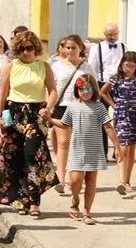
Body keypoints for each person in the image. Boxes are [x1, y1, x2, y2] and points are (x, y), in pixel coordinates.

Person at [0, 30, 60, 216]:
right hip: (14, 113)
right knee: (15, 157)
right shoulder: (11, 66)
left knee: (32, 156)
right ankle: (20, 200)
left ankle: (34, 200)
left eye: (29, 48)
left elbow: (53, 91)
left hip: (36, 114)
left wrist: (48, 108)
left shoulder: (44, 66)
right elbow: (3, 92)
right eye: (22, 49)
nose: (26, 52)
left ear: (36, 48)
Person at [52, 74, 121, 225]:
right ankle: (75, 200)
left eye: (88, 88)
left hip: (94, 150)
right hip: (77, 150)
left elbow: (108, 127)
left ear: (94, 89)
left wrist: (117, 146)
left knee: (91, 181)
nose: (85, 92)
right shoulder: (72, 107)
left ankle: (86, 212)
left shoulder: (99, 107)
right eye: (81, 89)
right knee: (75, 181)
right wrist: (49, 119)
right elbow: (64, 124)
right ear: (76, 90)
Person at [100, 52, 136, 195]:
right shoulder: (115, 79)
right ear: (121, 65)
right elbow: (103, 92)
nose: (128, 69)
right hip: (121, 115)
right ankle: (122, 182)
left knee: (131, 148)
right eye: (126, 65)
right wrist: (113, 104)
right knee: (123, 147)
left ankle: (127, 181)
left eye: (132, 66)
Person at [50, 35, 95, 193]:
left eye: (73, 47)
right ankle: (61, 180)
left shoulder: (86, 67)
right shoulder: (56, 66)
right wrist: (48, 105)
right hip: (61, 107)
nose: (70, 50)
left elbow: (93, 88)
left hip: (81, 108)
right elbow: (51, 88)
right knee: (63, 143)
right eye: (67, 47)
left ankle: (73, 179)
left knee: (77, 145)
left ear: (80, 48)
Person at [88, 23, 126, 159]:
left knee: (121, 118)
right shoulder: (96, 49)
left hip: (119, 85)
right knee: (101, 120)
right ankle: (102, 152)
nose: (113, 37)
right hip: (101, 84)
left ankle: (119, 150)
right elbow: (91, 69)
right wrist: (94, 89)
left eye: (115, 34)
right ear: (104, 34)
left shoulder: (123, 47)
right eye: (110, 35)